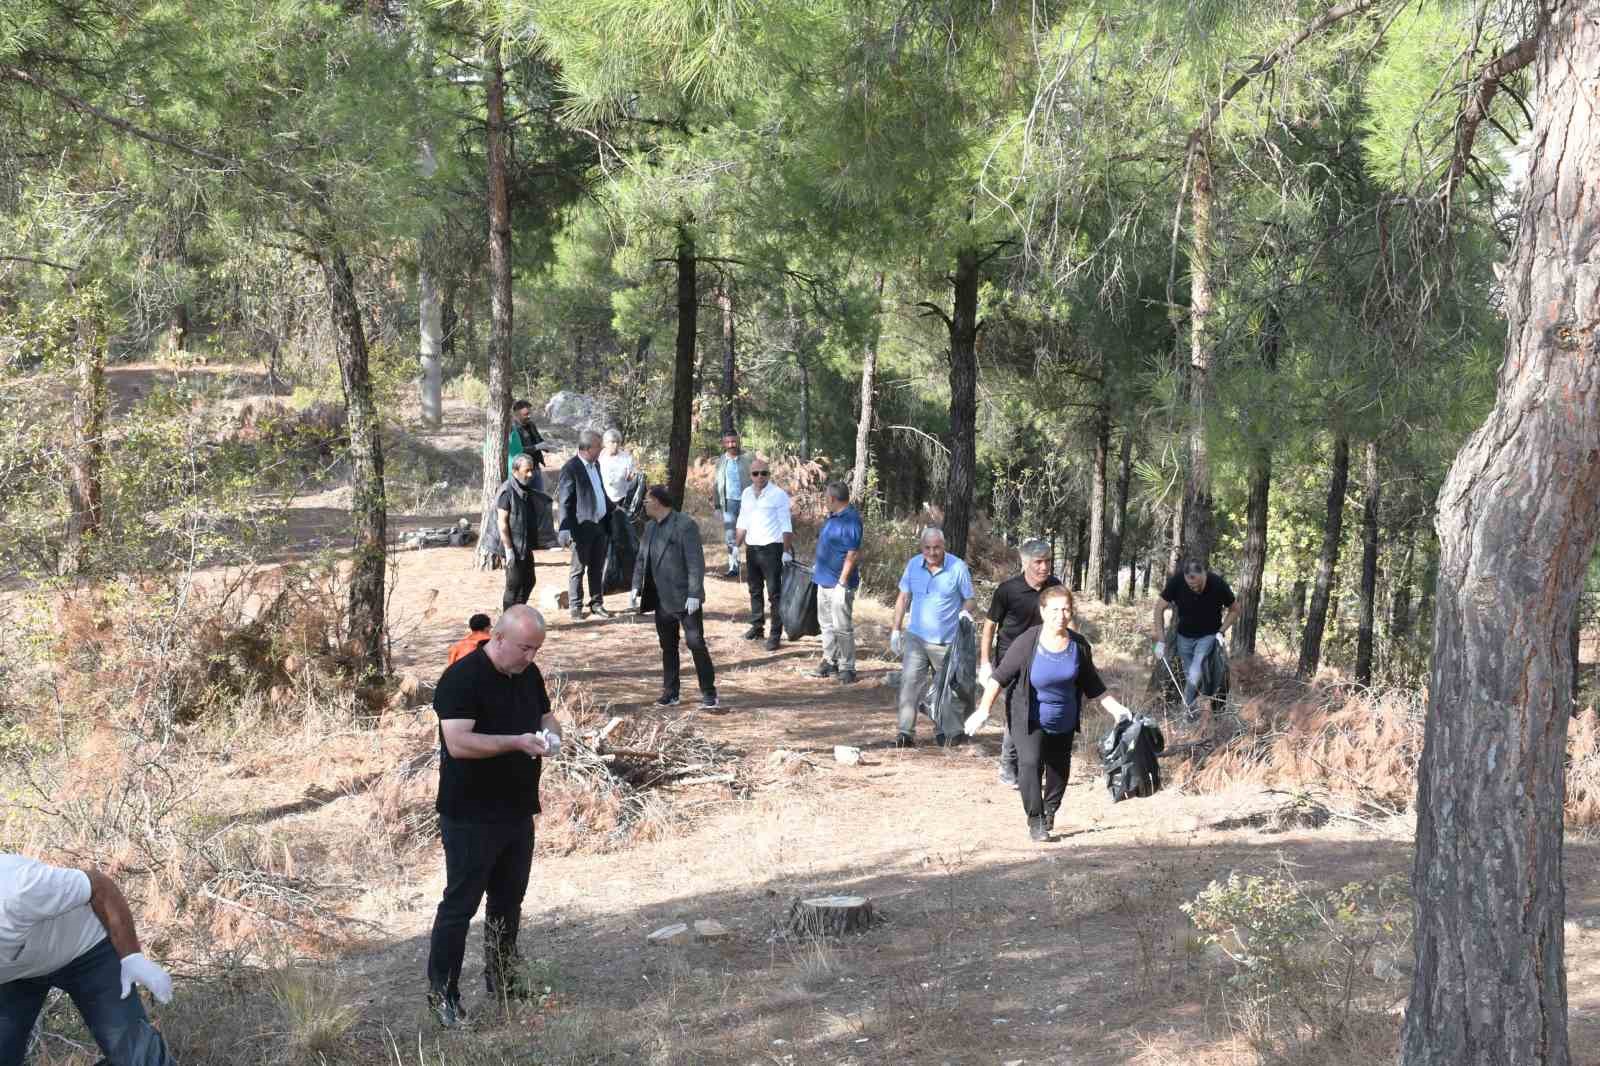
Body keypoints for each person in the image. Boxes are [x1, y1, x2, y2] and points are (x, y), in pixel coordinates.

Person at [425, 605, 561, 1029]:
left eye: (536, 649)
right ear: (498, 638)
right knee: (461, 904)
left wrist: (552, 735)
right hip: (470, 812)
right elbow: (460, 743)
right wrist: (517, 742)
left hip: (517, 808)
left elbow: (545, 714)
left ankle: (502, 979)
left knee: (508, 901)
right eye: (524, 648)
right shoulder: (462, 678)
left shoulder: (529, 673)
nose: (530, 657)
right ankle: (443, 993)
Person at [972, 585, 1130, 841]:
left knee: (1058, 770)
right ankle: (1035, 821)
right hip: (1029, 717)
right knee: (1030, 763)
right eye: (1055, 609)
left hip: (1063, 718)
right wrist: (983, 710)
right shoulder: (1027, 642)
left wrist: (1117, 710)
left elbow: (1094, 685)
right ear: (1043, 611)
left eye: (1066, 609)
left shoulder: (1079, 646)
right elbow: (999, 678)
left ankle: (1050, 809)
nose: (1061, 615)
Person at [0, 854, 176, 1064]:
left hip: (86, 951)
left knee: (134, 1053)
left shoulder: (17, 888)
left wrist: (132, 957)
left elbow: (99, 886)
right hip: (17, 973)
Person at [979, 539, 1063, 787]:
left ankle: (1036, 762)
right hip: (1011, 659)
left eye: (1048, 561)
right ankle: (1008, 765)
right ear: (1025, 563)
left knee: (1043, 710)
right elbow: (989, 627)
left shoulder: (1055, 588)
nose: (1044, 567)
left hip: (1045, 657)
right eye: (1038, 562)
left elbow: (1066, 618)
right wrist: (985, 663)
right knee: (1018, 710)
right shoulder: (1007, 590)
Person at [630, 486, 719, 710]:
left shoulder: (685, 525)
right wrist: (635, 587)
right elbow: (642, 558)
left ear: (659, 502)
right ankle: (671, 692)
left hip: (684, 597)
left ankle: (709, 692)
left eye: (647, 500)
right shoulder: (649, 527)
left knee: (695, 642)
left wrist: (694, 593)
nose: (644, 504)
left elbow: (695, 562)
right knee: (667, 646)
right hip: (661, 598)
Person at [888, 527, 976, 747]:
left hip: (946, 641)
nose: (932, 552)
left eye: (937, 547)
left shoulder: (957, 567)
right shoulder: (913, 565)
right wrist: (896, 630)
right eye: (927, 547)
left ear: (944, 546)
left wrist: (965, 612)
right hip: (916, 638)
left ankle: (947, 732)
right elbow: (903, 597)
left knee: (948, 689)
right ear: (921, 547)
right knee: (909, 684)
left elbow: (970, 599)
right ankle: (905, 733)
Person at [1151, 558, 1240, 716]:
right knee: (1190, 674)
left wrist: (1221, 631)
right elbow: (1159, 608)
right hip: (1184, 637)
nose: (1195, 589)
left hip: (1208, 635)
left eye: (1198, 585)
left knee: (1195, 671)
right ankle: (1194, 712)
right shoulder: (1177, 582)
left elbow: (1235, 609)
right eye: (1191, 586)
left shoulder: (1218, 584)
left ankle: (1187, 713)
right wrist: (1161, 640)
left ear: (1204, 574)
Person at [733, 458, 794, 652]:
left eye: (763, 473)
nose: (759, 477)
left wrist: (785, 551)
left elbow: (786, 525)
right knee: (754, 589)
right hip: (753, 548)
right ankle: (757, 626)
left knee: (774, 593)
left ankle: (775, 634)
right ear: (750, 475)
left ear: (769, 474)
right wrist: (736, 546)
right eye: (755, 473)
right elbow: (742, 521)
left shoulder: (778, 495)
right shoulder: (746, 494)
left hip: (772, 549)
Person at [556, 431, 613, 621]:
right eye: (599, 446)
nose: (602, 449)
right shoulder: (571, 468)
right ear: (587, 448)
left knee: (597, 567)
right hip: (581, 527)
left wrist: (614, 509)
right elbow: (564, 501)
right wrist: (564, 528)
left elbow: (600, 492)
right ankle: (576, 606)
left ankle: (597, 604)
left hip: (599, 524)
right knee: (578, 569)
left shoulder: (595, 465)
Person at [810, 481, 863, 685]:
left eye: (826, 498)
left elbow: (853, 553)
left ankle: (847, 667)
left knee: (842, 626)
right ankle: (829, 660)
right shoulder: (832, 517)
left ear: (832, 499)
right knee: (826, 624)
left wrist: (842, 582)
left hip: (840, 584)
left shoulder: (851, 520)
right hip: (823, 580)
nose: (825, 501)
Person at [493, 454, 548, 609]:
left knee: (530, 581)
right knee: (513, 585)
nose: (530, 475)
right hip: (513, 547)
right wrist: (509, 550)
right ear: (516, 470)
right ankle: (508, 621)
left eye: (532, 470)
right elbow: (502, 523)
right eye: (527, 471)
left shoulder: (524, 488)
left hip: (524, 546)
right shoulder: (507, 491)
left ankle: (517, 611)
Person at [711, 432, 753, 578]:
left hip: (748, 502)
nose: (731, 445)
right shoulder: (721, 461)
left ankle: (754, 566)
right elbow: (716, 484)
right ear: (723, 444)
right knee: (730, 536)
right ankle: (733, 566)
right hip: (728, 503)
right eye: (727, 442)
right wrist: (717, 506)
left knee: (751, 534)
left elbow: (760, 477)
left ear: (738, 441)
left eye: (733, 441)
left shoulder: (748, 458)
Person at [506, 399, 545, 478]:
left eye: (529, 413)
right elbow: (517, 451)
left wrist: (545, 446)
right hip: (521, 469)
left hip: (535, 466)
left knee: (538, 490)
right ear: (517, 414)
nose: (529, 416)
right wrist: (536, 447)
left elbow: (539, 439)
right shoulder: (512, 430)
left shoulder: (531, 424)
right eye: (526, 414)